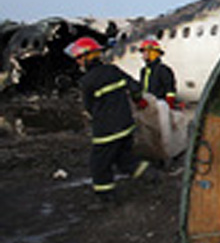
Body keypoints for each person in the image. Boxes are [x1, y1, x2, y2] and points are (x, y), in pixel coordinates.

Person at [65, 37, 152, 204]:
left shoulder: (86, 81)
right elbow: (135, 87)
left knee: (99, 165)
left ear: (87, 57)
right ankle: (152, 176)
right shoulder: (113, 70)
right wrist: (138, 99)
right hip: (126, 126)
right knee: (125, 160)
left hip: (106, 131)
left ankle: (106, 198)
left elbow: (89, 107)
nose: (78, 62)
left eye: (79, 58)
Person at [138, 39, 178, 109]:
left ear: (153, 53)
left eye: (145, 51)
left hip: (161, 105)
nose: (143, 55)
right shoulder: (143, 71)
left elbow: (170, 90)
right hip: (148, 106)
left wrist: (169, 103)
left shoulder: (163, 70)